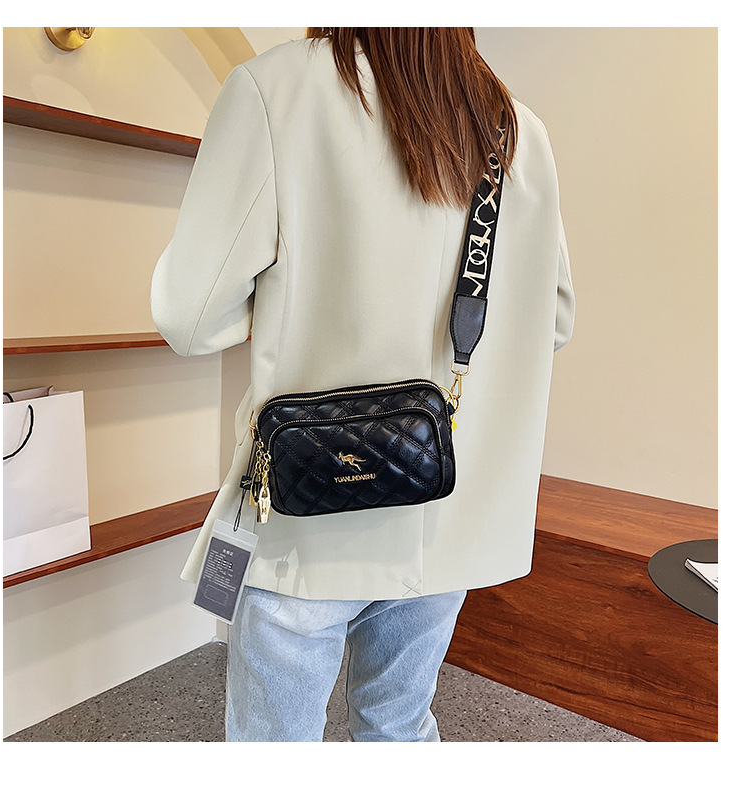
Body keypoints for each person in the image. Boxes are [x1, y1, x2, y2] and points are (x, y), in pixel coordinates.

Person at [151, 27, 575, 742]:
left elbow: (189, 319)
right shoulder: (512, 126)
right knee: (398, 727)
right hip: (445, 499)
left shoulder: (275, 88)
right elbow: (553, 318)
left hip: (310, 511)